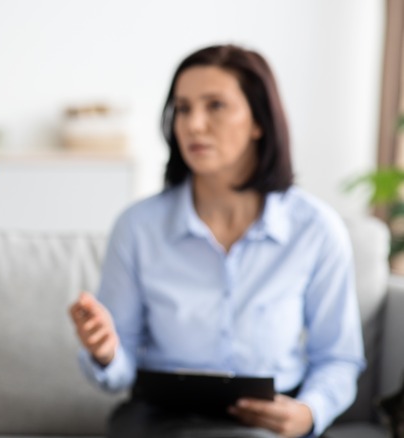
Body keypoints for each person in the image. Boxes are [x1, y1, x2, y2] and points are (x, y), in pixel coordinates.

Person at [69, 44, 364, 438]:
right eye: (183, 108)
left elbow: (339, 357)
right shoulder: (137, 226)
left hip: (268, 421)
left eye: (215, 106)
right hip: (159, 420)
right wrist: (105, 352)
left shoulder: (316, 229)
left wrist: (310, 412)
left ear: (259, 121)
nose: (193, 124)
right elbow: (119, 375)